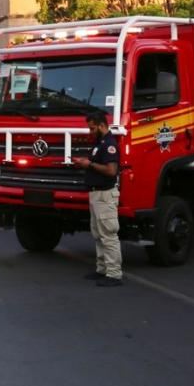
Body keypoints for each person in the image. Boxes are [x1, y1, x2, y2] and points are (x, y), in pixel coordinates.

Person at [72, 111, 121, 287]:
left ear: (101, 125)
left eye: (92, 128)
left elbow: (111, 170)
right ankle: (102, 269)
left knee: (108, 234)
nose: (90, 131)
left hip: (104, 194)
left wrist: (89, 164)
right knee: (98, 234)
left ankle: (114, 274)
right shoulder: (99, 143)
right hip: (96, 193)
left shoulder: (109, 144)